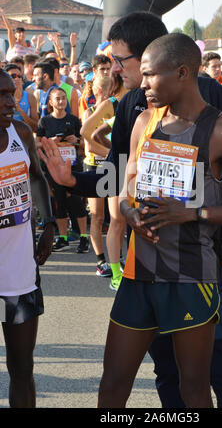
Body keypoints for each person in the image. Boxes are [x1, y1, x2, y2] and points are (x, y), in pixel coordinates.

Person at [39, 11, 222, 408]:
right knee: (132, 379)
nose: (120, 73)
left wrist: (205, 220)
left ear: (179, 71)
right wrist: (81, 185)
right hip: (141, 271)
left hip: (197, 270)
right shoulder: (136, 115)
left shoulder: (217, 115)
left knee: (211, 375)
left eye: (126, 63)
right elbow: (121, 183)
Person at [98, 32, 222, 408]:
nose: (142, 82)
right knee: (112, 384)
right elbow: (124, 191)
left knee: (194, 389)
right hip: (139, 275)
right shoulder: (143, 123)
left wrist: (193, 213)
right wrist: (129, 212)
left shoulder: (220, 130)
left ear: (183, 73)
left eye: (152, 75)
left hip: (191, 278)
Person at [0, 68, 55, 407]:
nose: (12, 101)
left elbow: (36, 177)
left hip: (19, 269)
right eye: (3, 96)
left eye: (12, 93)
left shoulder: (21, 132)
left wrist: (49, 224)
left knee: (22, 367)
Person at [81, 74, 127, 288]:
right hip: (97, 165)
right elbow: (88, 138)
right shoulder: (106, 106)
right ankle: (103, 263)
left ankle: (119, 264)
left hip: (117, 166)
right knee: (100, 217)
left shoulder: (128, 104)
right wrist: (114, 156)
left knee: (118, 219)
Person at [35, 87, 88, 253]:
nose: (61, 101)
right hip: (53, 167)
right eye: (57, 99)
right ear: (50, 102)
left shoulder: (73, 120)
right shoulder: (44, 121)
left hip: (72, 166)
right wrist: (49, 141)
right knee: (59, 202)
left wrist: (76, 140)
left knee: (76, 202)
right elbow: (36, 143)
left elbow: (84, 145)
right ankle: (63, 238)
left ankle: (84, 238)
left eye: (63, 98)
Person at [5, 63, 38, 132]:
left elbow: (35, 127)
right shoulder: (2, 98)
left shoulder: (30, 98)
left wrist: (20, 111)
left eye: (19, 76)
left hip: (24, 138)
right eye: (13, 76)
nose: (17, 78)